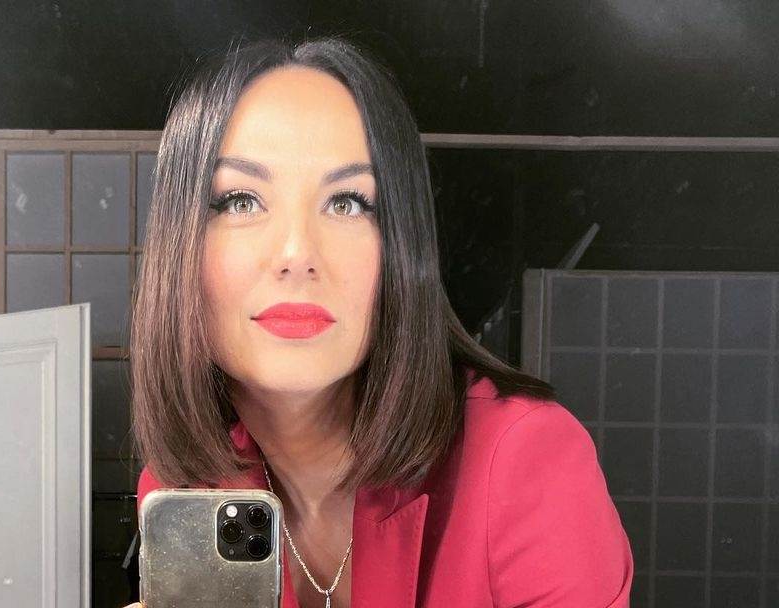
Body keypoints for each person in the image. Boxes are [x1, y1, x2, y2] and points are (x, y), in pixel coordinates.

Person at [123, 35, 633, 607]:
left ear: (400, 247)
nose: (297, 252)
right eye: (241, 200)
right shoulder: (185, 492)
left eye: (347, 203)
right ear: (179, 247)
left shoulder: (525, 460)